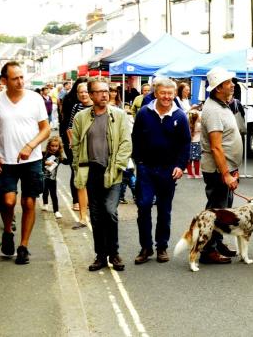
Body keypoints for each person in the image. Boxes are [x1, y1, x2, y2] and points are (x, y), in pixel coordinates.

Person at [0, 61, 51, 265]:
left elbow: (46, 129)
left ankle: (23, 246)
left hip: (31, 159)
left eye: (22, 77)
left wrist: (30, 146)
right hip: (5, 160)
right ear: (4, 80)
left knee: (29, 202)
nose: (20, 81)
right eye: (15, 78)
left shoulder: (35, 99)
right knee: (7, 201)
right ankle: (7, 232)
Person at [71, 78, 132, 272]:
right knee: (96, 216)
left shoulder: (119, 115)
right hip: (91, 171)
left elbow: (125, 143)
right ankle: (101, 255)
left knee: (109, 211)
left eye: (106, 91)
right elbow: (76, 145)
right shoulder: (81, 117)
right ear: (90, 95)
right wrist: (77, 169)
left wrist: (118, 166)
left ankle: (114, 253)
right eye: (99, 92)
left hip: (113, 170)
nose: (105, 95)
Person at [132, 77, 191, 264]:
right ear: (155, 93)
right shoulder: (144, 113)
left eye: (170, 93)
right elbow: (136, 139)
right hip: (146, 169)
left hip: (168, 170)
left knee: (164, 210)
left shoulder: (180, 116)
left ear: (174, 94)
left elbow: (185, 143)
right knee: (144, 206)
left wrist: (180, 166)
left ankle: (162, 247)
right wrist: (139, 162)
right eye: (163, 93)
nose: (167, 97)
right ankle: (146, 247)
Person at [199, 67, 244, 264]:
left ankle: (216, 243)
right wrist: (226, 174)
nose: (232, 85)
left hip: (225, 168)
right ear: (218, 88)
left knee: (223, 210)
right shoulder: (213, 110)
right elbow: (216, 147)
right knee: (217, 211)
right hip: (218, 170)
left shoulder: (222, 105)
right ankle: (208, 250)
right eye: (228, 83)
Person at [59, 77, 87, 211]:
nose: (84, 94)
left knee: (84, 171)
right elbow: (67, 123)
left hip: (80, 141)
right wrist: (71, 142)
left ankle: (83, 200)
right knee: (76, 170)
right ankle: (76, 200)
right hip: (70, 139)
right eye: (81, 91)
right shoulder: (71, 102)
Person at [67, 82, 92, 229]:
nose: (83, 94)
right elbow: (70, 127)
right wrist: (73, 144)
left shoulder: (98, 107)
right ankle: (83, 217)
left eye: (85, 92)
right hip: (80, 150)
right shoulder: (76, 107)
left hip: (95, 151)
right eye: (80, 92)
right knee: (81, 183)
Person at [42, 136, 64, 219]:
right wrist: (45, 162)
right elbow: (40, 162)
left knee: (54, 194)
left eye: (56, 146)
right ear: (49, 146)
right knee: (45, 191)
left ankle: (56, 211)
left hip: (52, 179)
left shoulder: (59, 156)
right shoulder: (44, 154)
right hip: (44, 177)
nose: (54, 148)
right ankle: (45, 203)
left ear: (59, 147)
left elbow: (67, 161)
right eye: (52, 146)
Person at [187, 110, 202, 179]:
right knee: (197, 159)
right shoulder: (199, 125)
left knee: (189, 159)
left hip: (189, 143)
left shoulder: (188, 125)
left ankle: (189, 174)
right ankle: (197, 174)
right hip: (197, 143)